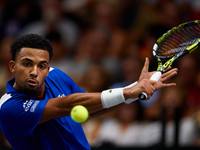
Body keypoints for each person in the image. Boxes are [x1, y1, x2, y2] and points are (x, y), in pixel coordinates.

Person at [0, 34, 177, 150]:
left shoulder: (56, 76)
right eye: (27, 63)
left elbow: (93, 107)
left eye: (42, 66)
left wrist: (133, 92)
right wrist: (129, 90)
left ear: (48, 69)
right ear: (13, 67)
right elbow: (68, 104)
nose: (34, 71)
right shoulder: (9, 107)